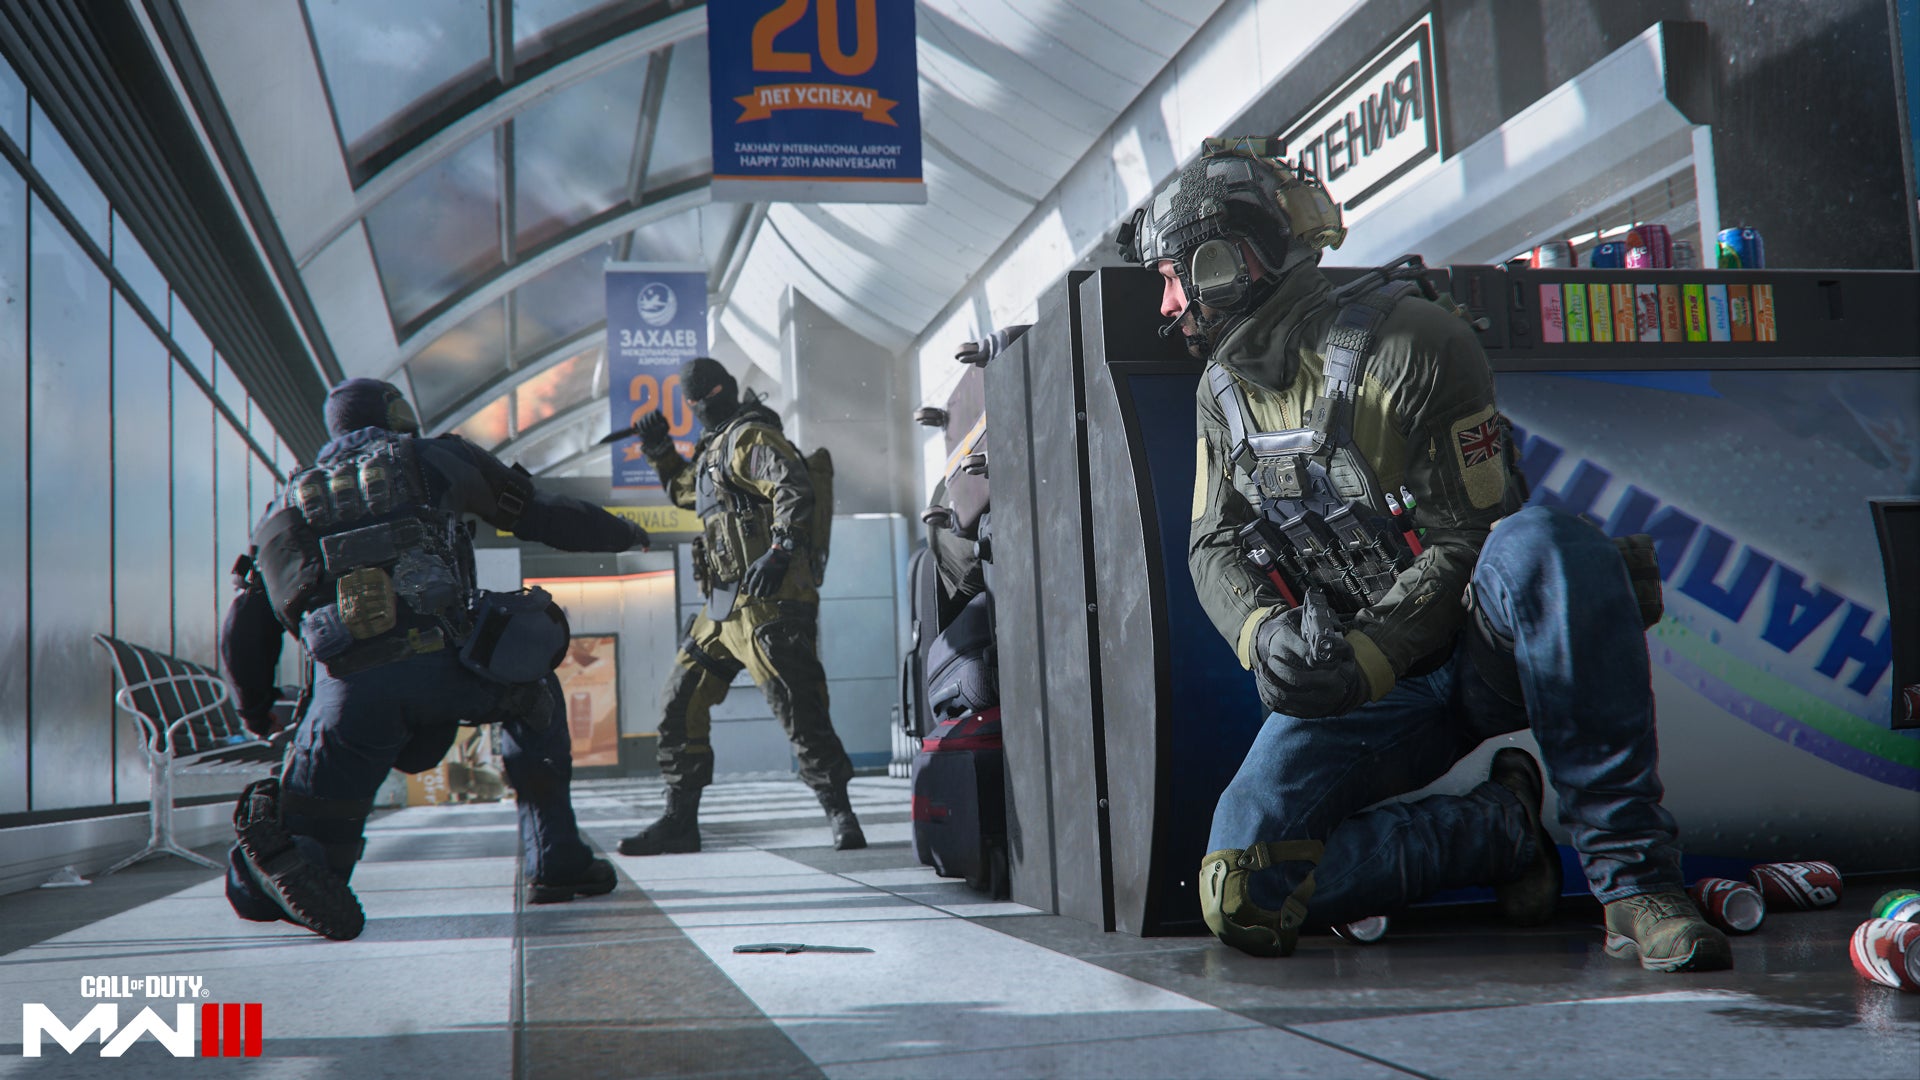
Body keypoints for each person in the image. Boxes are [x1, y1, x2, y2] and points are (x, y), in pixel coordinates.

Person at [1117, 137, 1730, 971]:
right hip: (1364, 684)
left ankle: (1636, 887)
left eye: (1174, 274)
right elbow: (1213, 543)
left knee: (1548, 546)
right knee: (1242, 893)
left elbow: (1470, 540)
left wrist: (1370, 654)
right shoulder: (1221, 397)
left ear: (1226, 263)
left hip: (1480, 652)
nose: (1168, 303)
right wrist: (1264, 635)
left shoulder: (1415, 342)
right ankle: (1497, 834)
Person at [221, 378, 652, 940]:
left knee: (311, 853)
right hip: (452, 673)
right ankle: (557, 861)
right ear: (397, 415)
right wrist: (624, 530)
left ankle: (272, 861)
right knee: (534, 693)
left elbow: (244, 628)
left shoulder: (284, 506)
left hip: (347, 699)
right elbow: (541, 514)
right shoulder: (433, 457)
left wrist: (255, 710)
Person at [617, 357, 866, 855]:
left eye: (703, 400)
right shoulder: (714, 450)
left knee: (799, 708)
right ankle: (680, 821)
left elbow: (791, 485)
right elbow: (687, 494)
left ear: (721, 393)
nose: (701, 409)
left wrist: (781, 550)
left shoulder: (748, 439)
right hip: (722, 608)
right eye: (696, 404)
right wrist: (660, 448)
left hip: (768, 606)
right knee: (679, 704)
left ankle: (841, 812)